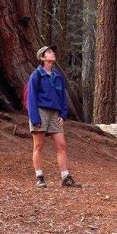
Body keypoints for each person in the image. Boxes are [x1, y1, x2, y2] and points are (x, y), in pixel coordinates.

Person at [27, 45, 80, 188]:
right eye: (49, 52)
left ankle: (65, 177)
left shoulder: (58, 76)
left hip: (55, 114)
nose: (52, 53)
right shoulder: (36, 75)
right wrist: (35, 118)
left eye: (52, 51)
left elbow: (63, 97)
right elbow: (31, 98)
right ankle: (39, 177)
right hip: (41, 112)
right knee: (38, 145)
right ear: (42, 58)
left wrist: (63, 114)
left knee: (61, 145)